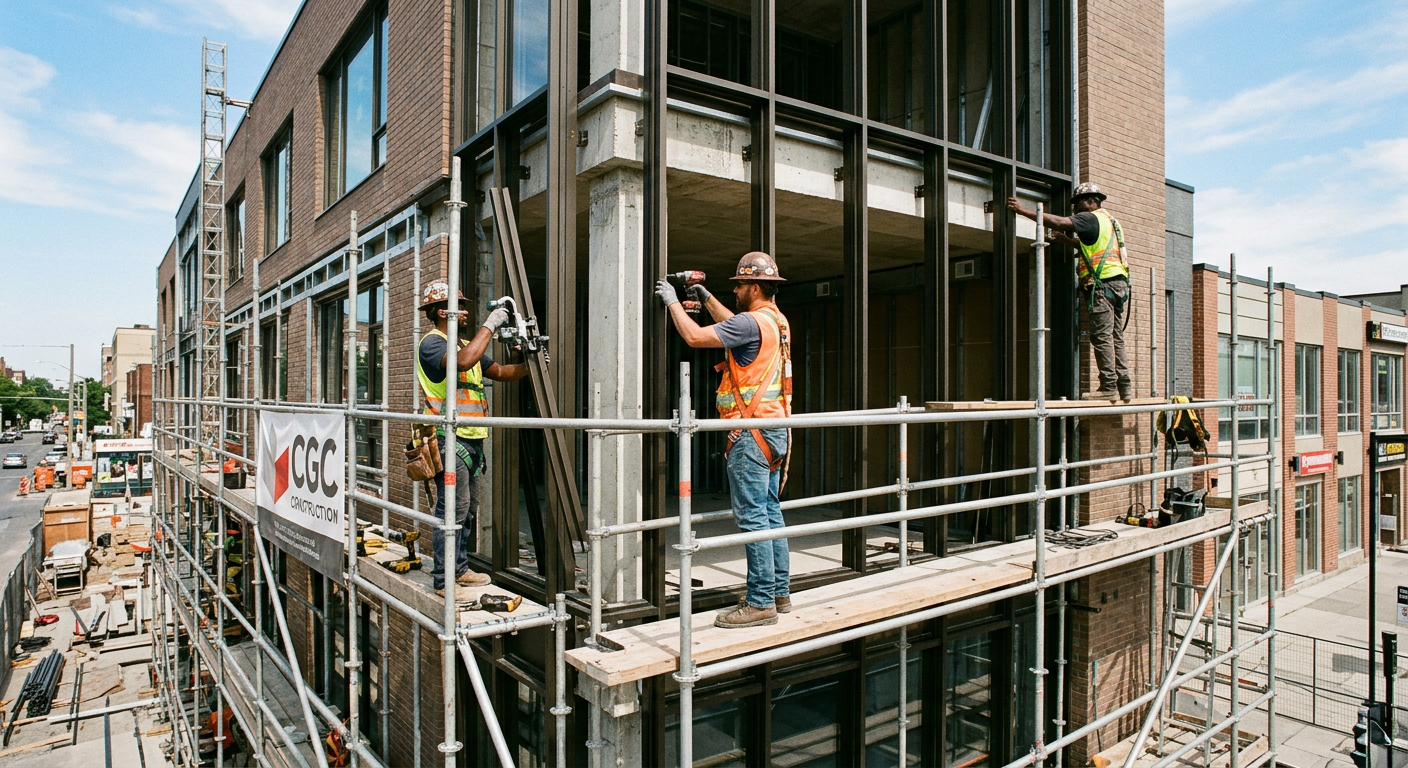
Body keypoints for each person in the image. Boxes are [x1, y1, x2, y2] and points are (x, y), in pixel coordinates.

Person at [656, 252, 793, 629]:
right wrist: (704, 296)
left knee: (753, 520)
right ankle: (778, 592)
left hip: (751, 436)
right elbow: (734, 325)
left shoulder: (752, 322)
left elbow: (695, 336)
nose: (734, 291)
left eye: (737, 286)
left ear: (753, 287)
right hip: (774, 431)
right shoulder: (774, 321)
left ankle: (761, 602)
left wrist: (672, 301)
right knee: (769, 514)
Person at [416, 280, 527, 596]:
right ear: (442, 312)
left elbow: (503, 373)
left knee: (468, 508)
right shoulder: (433, 344)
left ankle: (459, 569)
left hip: (471, 438)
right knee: (452, 509)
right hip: (447, 437)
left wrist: (527, 363)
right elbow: (463, 362)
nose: (464, 311)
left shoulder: (467, 346)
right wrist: (490, 325)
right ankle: (443, 578)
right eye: (459, 306)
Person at [1008, 182, 1132, 402]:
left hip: (1102, 285)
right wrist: (1066, 241)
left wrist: (1023, 210)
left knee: (1101, 336)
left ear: (1089, 201)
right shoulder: (1110, 221)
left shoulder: (1089, 217)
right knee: (1115, 336)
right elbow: (1092, 246)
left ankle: (1108, 387)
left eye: (1076, 205)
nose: (1074, 211)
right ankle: (1124, 387)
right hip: (1120, 285)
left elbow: (1060, 222)